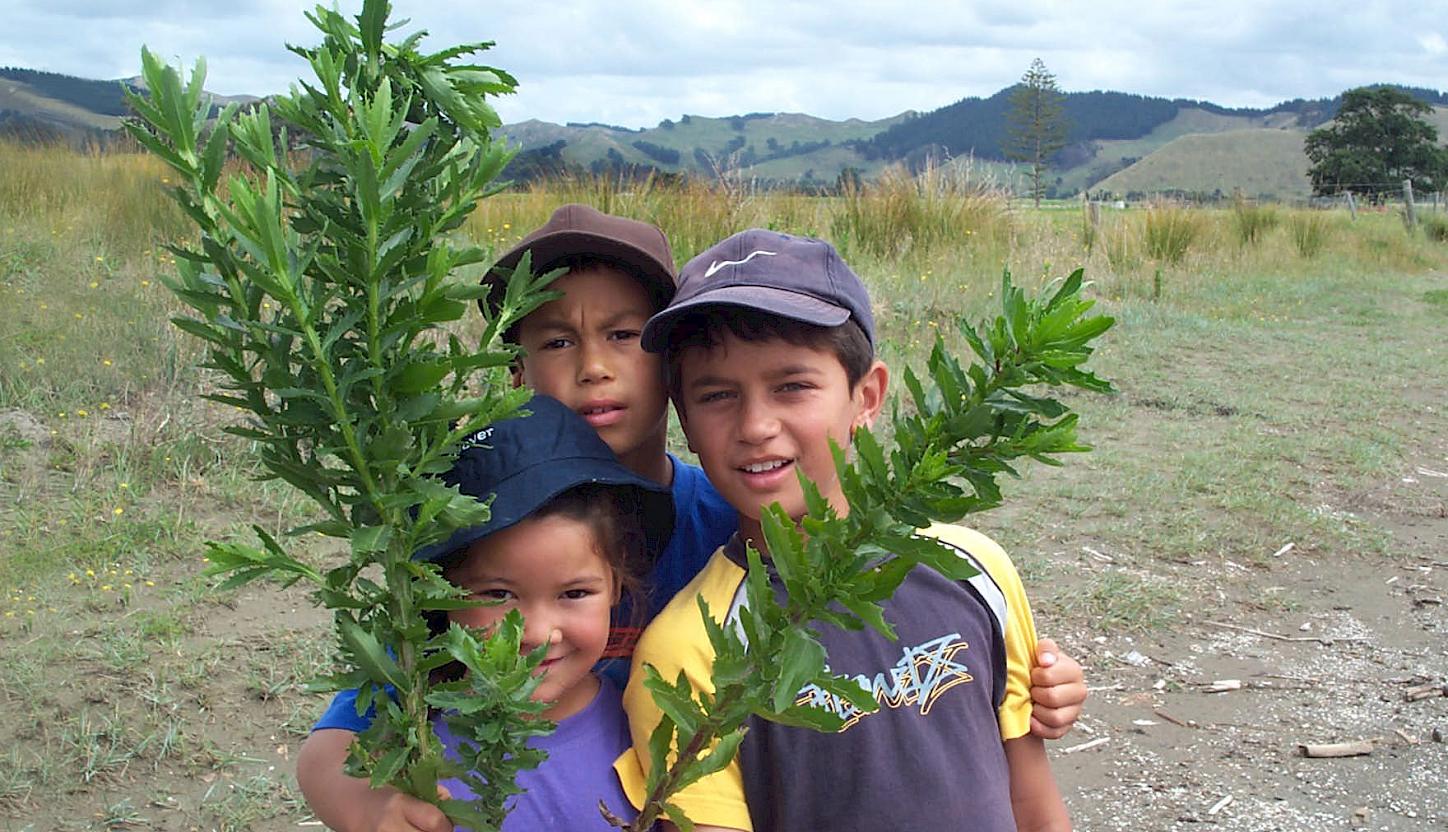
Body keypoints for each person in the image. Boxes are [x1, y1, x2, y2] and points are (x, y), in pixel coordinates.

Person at [297, 206, 1086, 832]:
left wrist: (1029, 677)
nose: (593, 366)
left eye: (621, 336)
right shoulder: (485, 529)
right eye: (556, 339)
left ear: (665, 373)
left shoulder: (732, 516)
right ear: (514, 369)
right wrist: (366, 806)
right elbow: (343, 732)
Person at [615, 229, 1072, 831]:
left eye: (792, 386)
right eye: (718, 395)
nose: (755, 425)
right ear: (686, 424)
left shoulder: (974, 569)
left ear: (867, 396)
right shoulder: (685, 657)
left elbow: (1032, 801)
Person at [413, 394, 672, 831]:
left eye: (573, 593)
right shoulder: (413, 745)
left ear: (615, 585)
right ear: (442, 593)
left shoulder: (649, 730)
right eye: (498, 595)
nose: (535, 633)